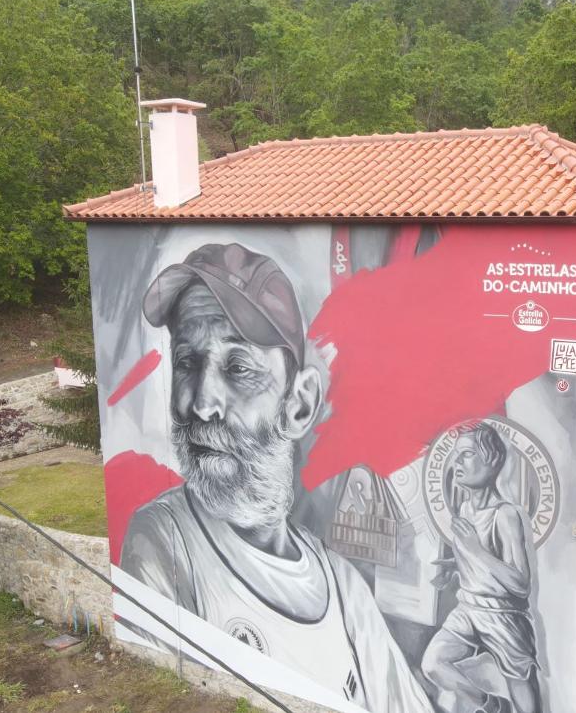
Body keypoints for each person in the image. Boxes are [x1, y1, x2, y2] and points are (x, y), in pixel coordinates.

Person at [119, 242, 431, 713]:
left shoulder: (344, 589)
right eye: (187, 362)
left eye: (238, 367)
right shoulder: (165, 541)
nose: (201, 403)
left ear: (299, 405)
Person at [423, 422, 542, 713]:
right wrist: (456, 566)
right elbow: (479, 564)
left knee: (527, 701)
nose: (456, 462)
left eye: (466, 454)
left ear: (492, 462)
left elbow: (520, 584)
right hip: (468, 609)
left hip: (504, 617)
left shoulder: (505, 515)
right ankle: (493, 706)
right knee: (433, 663)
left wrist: (476, 551)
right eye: (455, 455)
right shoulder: (464, 510)